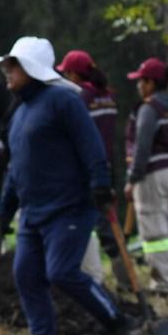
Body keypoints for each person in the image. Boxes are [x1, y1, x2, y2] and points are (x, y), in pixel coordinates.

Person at [0, 36, 135, 335]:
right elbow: (16, 171)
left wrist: (101, 183)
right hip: (32, 213)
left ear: (31, 67)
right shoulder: (18, 115)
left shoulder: (63, 101)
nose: (7, 71)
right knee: (26, 274)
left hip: (69, 208)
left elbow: (91, 145)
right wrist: (4, 215)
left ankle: (119, 327)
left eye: (13, 65)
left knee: (61, 271)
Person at [55, 49, 125, 290]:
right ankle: (124, 274)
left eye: (65, 73)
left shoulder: (80, 98)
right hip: (105, 163)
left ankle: (95, 276)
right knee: (107, 221)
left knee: (92, 222)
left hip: (87, 166)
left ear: (74, 74)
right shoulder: (108, 97)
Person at [124, 57, 168, 296]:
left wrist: (132, 178)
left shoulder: (149, 109)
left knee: (154, 232)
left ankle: (165, 284)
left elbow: (142, 146)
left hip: (154, 174)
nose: (138, 86)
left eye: (141, 81)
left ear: (151, 83)